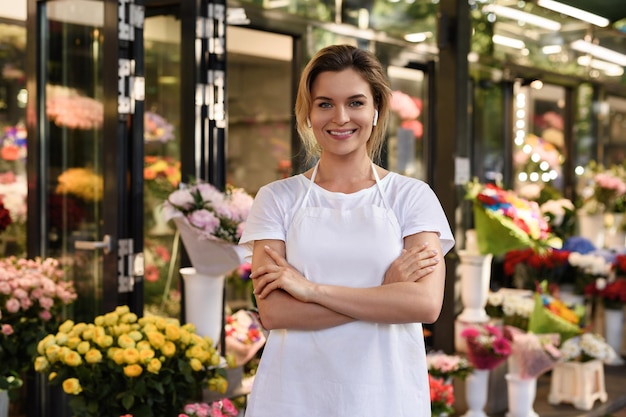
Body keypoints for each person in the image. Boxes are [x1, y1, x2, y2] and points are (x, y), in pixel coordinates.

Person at [238, 44, 455, 417]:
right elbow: (274, 312)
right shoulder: (276, 199)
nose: (340, 118)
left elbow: (425, 304)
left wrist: (311, 290)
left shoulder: (411, 197)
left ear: (375, 110)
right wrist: (385, 295)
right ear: (308, 113)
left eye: (355, 102)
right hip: (293, 395)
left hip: (385, 394)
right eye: (325, 104)